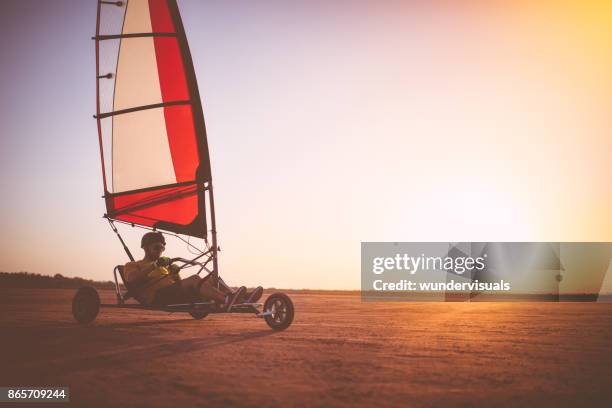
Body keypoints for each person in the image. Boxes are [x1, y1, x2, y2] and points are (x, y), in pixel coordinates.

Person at [124, 232, 263, 309]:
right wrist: (153, 266)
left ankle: (242, 299)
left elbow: (178, 284)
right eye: (156, 248)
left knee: (212, 277)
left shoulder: (163, 266)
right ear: (146, 247)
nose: (160, 251)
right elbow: (132, 280)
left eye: (162, 248)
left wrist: (175, 272)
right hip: (156, 298)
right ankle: (227, 300)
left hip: (173, 295)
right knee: (195, 279)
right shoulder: (133, 265)